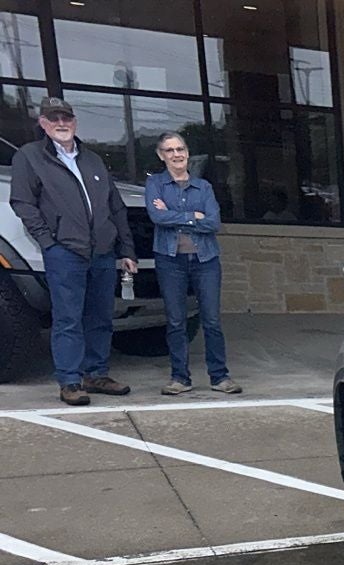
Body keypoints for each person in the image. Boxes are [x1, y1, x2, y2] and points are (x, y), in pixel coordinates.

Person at [7, 96, 136, 406]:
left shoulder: (92, 159)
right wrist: (48, 242)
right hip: (65, 252)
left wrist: (126, 249)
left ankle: (96, 374)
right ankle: (70, 381)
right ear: (43, 123)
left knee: (101, 317)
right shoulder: (29, 156)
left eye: (66, 118)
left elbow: (115, 207)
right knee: (68, 319)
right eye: (54, 118)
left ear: (75, 122)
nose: (61, 123)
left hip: (102, 252)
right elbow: (23, 203)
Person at [145, 131, 240, 395]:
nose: (176, 154)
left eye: (180, 149)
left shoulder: (204, 187)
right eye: (170, 150)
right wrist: (193, 216)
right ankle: (180, 378)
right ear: (161, 155)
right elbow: (157, 217)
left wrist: (174, 214)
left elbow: (213, 223)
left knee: (212, 320)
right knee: (176, 321)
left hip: (205, 259)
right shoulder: (155, 184)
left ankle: (219, 377)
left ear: (187, 153)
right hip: (170, 260)